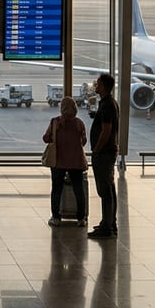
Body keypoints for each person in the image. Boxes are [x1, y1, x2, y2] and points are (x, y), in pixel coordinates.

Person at [42, 96, 88, 228]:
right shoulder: (79, 123)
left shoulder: (55, 122)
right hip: (76, 161)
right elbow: (84, 141)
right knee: (78, 190)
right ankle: (81, 218)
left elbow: (46, 138)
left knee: (56, 189)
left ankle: (56, 217)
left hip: (59, 161)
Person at [88, 73, 120, 240]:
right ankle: (109, 222)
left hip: (104, 153)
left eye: (98, 84)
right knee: (109, 188)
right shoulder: (110, 103)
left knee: (105, 190)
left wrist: (97, 149)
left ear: (104, 86)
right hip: (108, 151)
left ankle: (107, 226)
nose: (96, 86)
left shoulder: (107, 105)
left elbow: (106, 130)